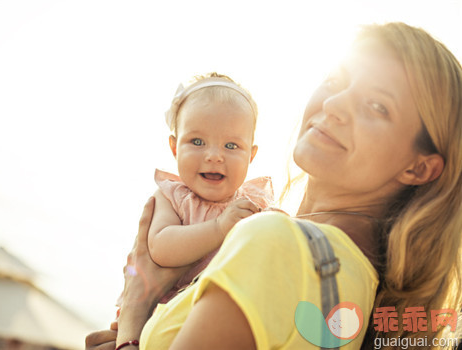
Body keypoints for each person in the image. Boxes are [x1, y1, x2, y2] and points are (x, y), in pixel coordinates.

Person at [87, 22, 462, 349]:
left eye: (378, 106)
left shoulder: (278, 245)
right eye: (336, 80)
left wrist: (135, 322)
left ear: (419, 167)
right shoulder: (359, 285)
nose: (334, 103)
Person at [116, 72, 273, 313]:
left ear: (250, 156)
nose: (214, 156)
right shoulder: (172, 197)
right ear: (174, 147)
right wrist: (220, 227)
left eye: (231, 146)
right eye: (197, 142)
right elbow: (160, 248)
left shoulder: (253, 203)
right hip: (160, 313)